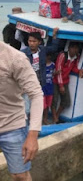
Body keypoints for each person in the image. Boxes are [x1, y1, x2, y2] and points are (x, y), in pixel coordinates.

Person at [0, 42, 43, 181]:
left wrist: (33, 135)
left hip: (12, 125)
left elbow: (36, 94)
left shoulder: (15, 58)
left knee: (20, 176)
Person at [52, 42, 83, 124]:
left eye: (76, 48)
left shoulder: (76, 57)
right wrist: (61, 85)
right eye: (73, 48)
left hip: (65, 81)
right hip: (56, 81)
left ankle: (56, 115)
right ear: (69, 48)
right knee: (54, 101)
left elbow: (74, 68)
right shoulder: (62, 56)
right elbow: (58, 70)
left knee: (66, 102)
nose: (75, 50)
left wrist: (79, 71)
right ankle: (55, 119)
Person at [43, 53, 55, 125]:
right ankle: (41, 119)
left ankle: (45, 118)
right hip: (43, 87)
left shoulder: (53, 65)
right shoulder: (41, 65)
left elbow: (54, 74)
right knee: (42, 105)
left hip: (50, 87)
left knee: (48, 105)